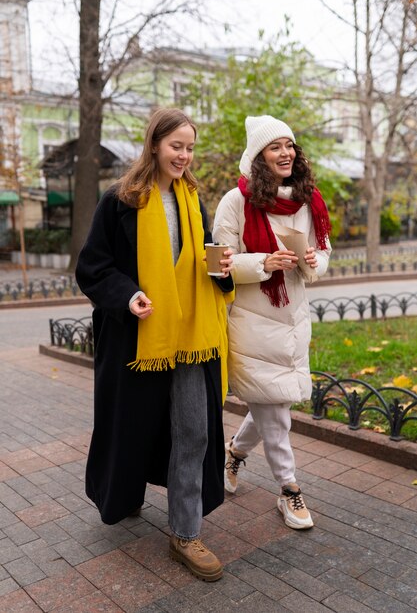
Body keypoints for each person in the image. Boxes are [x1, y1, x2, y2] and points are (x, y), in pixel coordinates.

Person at [75, 107, 233, 581]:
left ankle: (185, 532)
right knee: (132, 429)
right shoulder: (119, 201)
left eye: (189, 147)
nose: (184, 155)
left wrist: (220, 271)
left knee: (193, 430)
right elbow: (93, 268)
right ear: (155, 146)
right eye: (175, 146)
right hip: (138, 340)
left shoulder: (191, 200)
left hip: (188, 338)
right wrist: (129, 295)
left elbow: (201, 259)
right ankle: (123, 497)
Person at [213, 115, 331, 530]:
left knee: (271, 400)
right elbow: (217, 262)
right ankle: (289, 490)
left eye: (290, 145)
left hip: (294, 317)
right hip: (251, 320)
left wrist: (314, 261)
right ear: (259, 155)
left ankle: (233, 455)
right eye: (275, 147)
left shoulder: (308, 198)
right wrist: (264, 261)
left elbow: (323, 246)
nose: (286, 153)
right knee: (276, 412)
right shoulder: (236, 200)